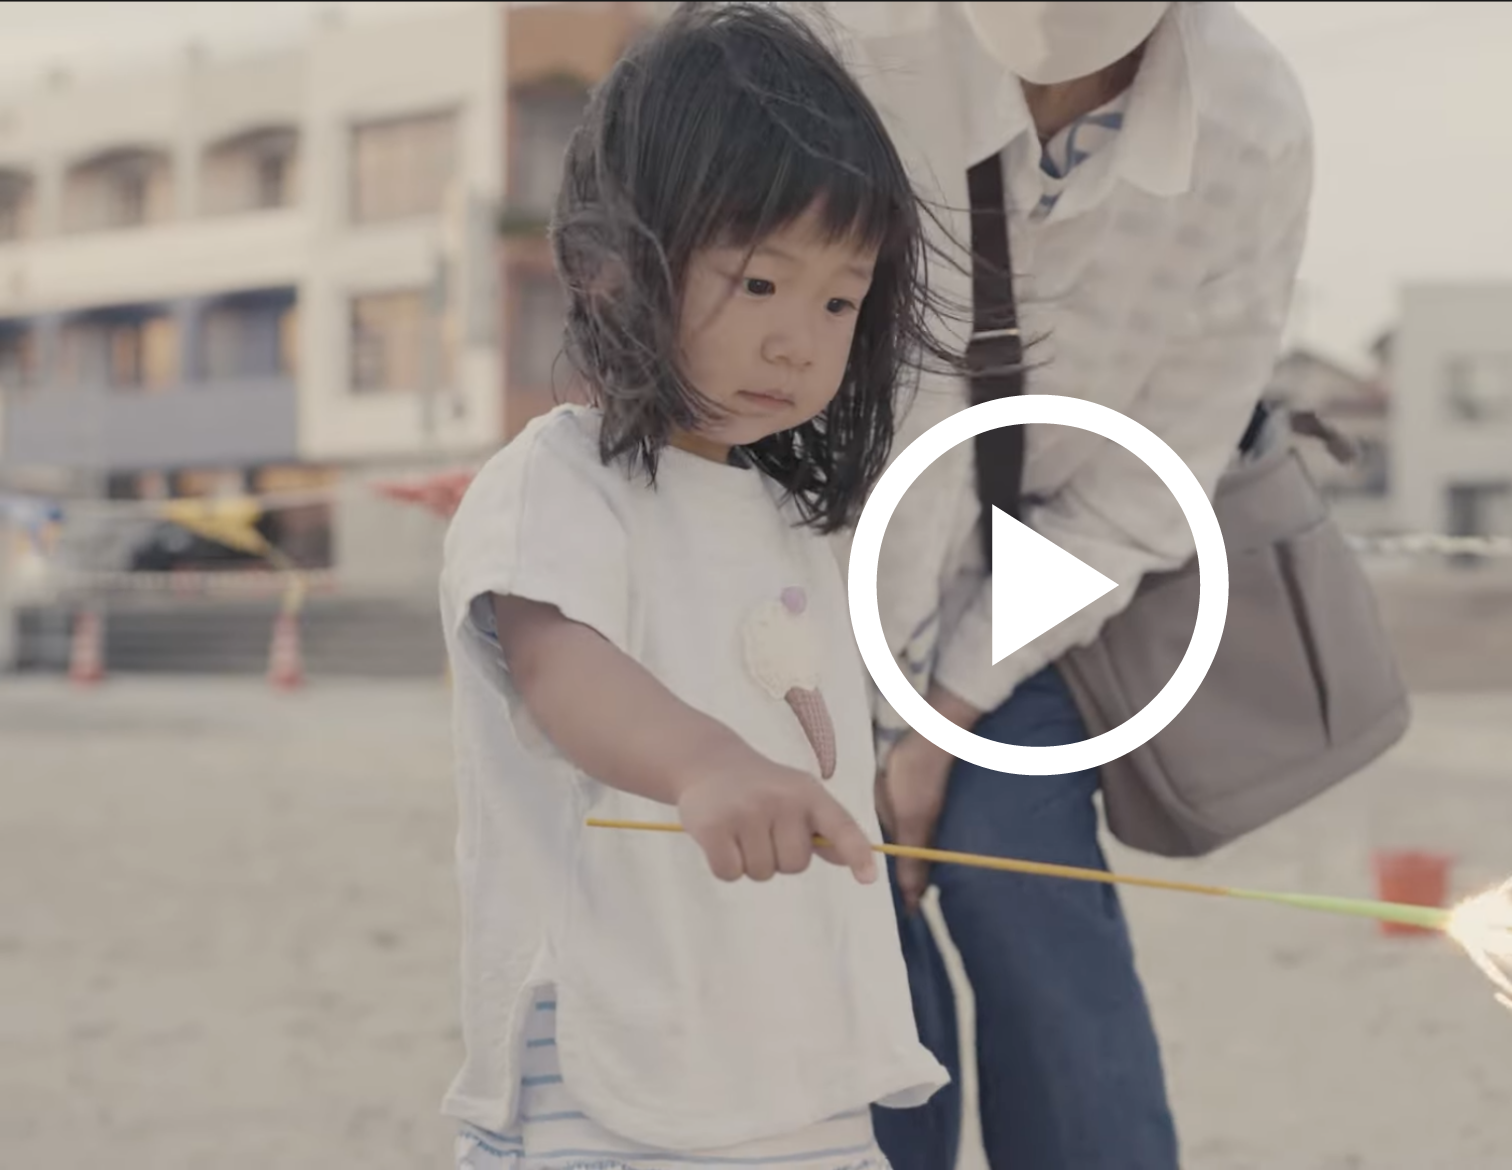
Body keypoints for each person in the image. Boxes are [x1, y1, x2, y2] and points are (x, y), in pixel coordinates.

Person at [435, 6, 955, 1167]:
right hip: (615, 1063)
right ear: (610, 265)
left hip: (800, 1066)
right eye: (761, 285)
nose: (798, 342)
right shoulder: (557, 480)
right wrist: (706, 763)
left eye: (838, 301)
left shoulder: (785, 516)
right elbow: (565, 673)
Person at [826, 4, 1317, 1169]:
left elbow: (1151, 483)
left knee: (1028, 896)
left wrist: (939, 724)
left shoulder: (1249, 122)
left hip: (1035, 593)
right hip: (797, 585)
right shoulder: (836, 34)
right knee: (854, 943)